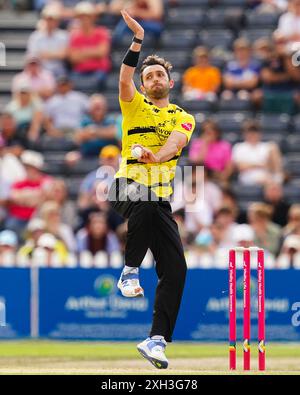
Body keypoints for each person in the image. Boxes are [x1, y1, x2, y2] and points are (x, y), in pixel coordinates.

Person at [107, 10, 195, 369]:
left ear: (169, 83)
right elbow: (124, 76)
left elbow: (174, 147)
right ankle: (129, 272)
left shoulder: (183, 116)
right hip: (125, 187)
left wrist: (153, 157)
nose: (155, 78)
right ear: (143, 86)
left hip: (158, 200)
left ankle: (156, 341)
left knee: (176, 270)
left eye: (161, 74)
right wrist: (138, 39)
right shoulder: (133, 104)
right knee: (141, 200)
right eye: (149, 75)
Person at [68, 1, 111, 92]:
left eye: (87, 17)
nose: (84, 20)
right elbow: (73, 58)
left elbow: (102, 52)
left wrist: (82, 52)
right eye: (82, 17)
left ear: (92, 18)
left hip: (98, 71)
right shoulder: (75, 36)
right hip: (80, 72)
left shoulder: (101, 32)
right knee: (71, 81)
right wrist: (94, 52)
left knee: (98, 80)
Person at [232, 119, 283, 185]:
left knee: (273, 146)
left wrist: (252, 165)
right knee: (270, 181)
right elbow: (240, 167)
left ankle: (275, 182)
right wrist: (261, 165)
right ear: (244, 133)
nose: (252, 133)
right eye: (249, 131)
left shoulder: (268, 146)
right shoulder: (239, 147)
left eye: (255, 131)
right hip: (248, 177)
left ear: (260, 133)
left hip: (268, 175)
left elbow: (274, 167)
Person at [27, 5, 69, 78]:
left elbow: (63, 55)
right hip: (40, 71)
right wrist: (56, 54)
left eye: (53, 19)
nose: (51, 22)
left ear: (57, 21)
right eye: (48, 19)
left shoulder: (64, 35)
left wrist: (45, 54)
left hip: (59, 71)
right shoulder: (35, 36)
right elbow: (33, 56)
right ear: (44, 19)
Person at [44, 75, 89, 140]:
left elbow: (90, 111)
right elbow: (47, 119)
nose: (63, 87)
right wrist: (51, 129)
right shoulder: (52, 101)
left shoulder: (79, 97)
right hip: (58, 129)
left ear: (70, 85)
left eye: (65, 85)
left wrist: (85, 128)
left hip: (76, 129)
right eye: (61, 85)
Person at [188, 119, 233, 184]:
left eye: (211, 131)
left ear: (217, 132)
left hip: (218, 175)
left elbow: (229, 166)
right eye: (206, 132)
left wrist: (223, 177)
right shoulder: (197, 143)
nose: (209, 134)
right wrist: (205, 144)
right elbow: (196, 162)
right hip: (201, 174)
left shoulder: (225, 145)